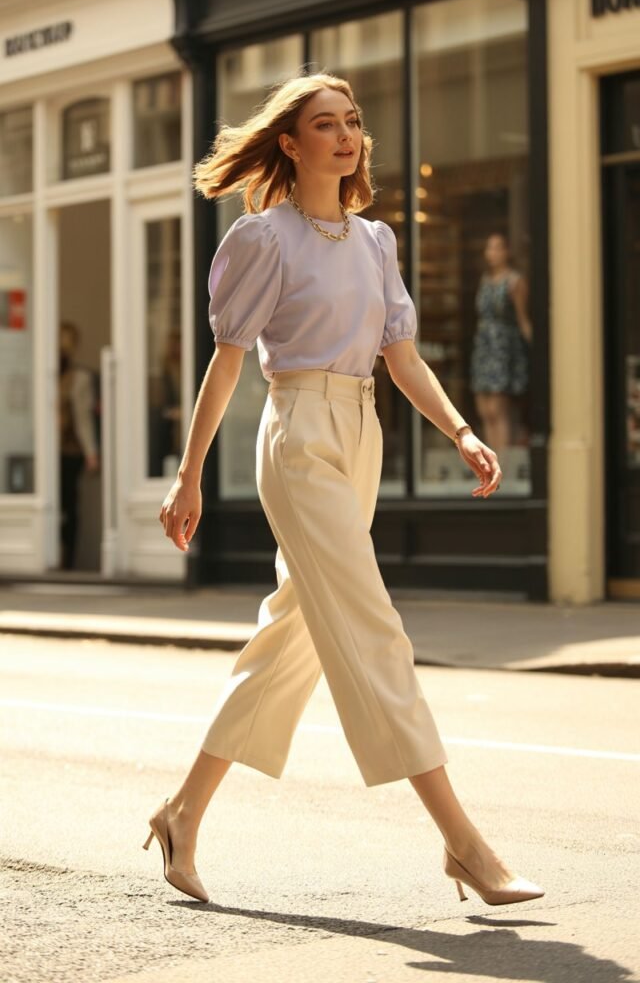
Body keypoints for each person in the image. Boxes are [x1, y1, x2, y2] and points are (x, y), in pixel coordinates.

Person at [146, 72, 545, 909]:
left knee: (289, 638)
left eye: (352, 121)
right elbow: (227, 363)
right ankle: (464, 844)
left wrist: (461, 431)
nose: (346, 135)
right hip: (297, 437)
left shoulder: (375, 242)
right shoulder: (265, 239)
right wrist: (189, 476)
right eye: (325, 124)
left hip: (360, 432)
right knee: (373, 628)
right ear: (291, 144)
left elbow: (402, 357)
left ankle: (182, 813)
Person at [469, 233, 533, 456]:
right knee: (484, 409)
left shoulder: (515, 281)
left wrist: (533, 347)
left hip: (502, 347)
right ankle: (489, 460)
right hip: (484, 346)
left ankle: (502, 461)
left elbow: (522, 318)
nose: (492, 253)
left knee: (498, 408)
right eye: (489, 248)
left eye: (497, 248)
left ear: (506, 252)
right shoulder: (485, 280)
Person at [58, 321, 99, 570]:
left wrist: (91, 452)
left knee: (68, 505)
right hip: (48, 453)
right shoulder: (44, 372)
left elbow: (83, 418)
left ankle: (68, 561)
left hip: (69, 452)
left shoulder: (78, 378)